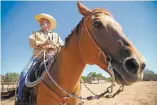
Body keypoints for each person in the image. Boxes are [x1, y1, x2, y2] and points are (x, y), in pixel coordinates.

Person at [15, 13, 64, 104]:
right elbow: (32, 43)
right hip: (38, 58)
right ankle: (20, 98)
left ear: (49, 24)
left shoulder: (56, 35)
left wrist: (54, 46)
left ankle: (75, 96)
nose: (41, 22)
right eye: (40, 21)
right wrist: (44, 44)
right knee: (24, 73)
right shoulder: (35, 34)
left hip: (54, 56)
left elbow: (62, 45)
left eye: (43, 21)